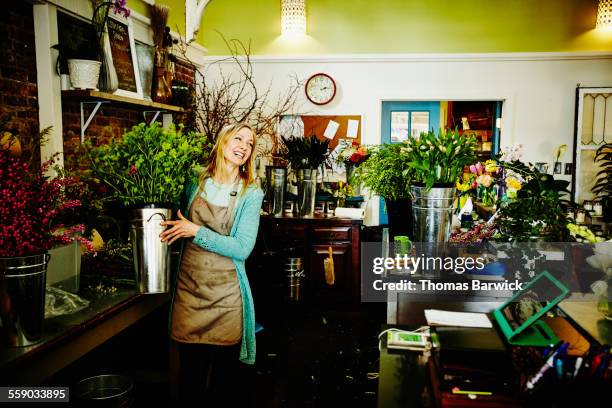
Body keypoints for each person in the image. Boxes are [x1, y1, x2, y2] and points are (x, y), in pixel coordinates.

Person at [160, 122, 264, 405]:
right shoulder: (193, 182)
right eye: (238, 138)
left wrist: (196, 231)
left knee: (223, 385)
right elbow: (172, 225)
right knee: (189, 381)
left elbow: (242, 248)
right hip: (189, 292)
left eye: (250, 143)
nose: (244, 145)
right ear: (222, 141)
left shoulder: (250, 193)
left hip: (227, 297)